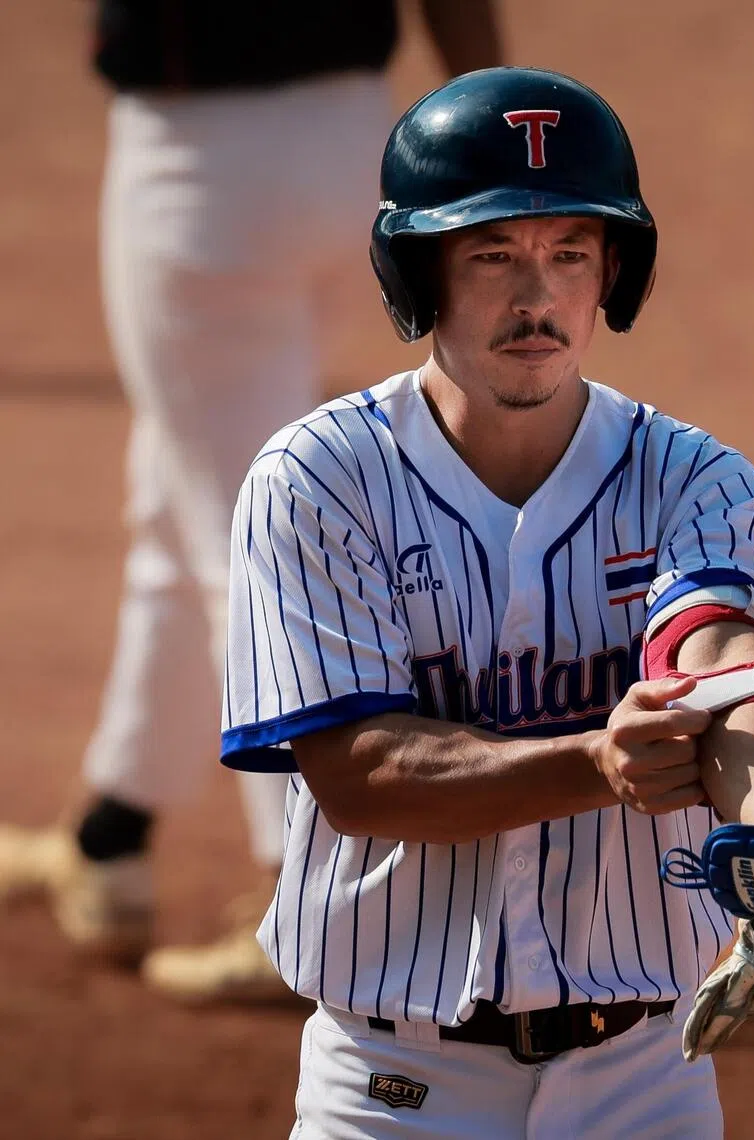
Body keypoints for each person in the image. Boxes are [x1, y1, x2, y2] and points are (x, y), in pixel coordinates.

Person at [221, 67, 754, 1137]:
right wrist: (597, 762)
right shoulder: (319, 480)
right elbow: (360, 775)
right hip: (396, 1085)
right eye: (491, 254)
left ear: (613, 275)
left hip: (646, 1076)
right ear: (421, 274)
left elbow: (726, 664)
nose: (535, 298)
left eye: (569, 255)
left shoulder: (698, 481)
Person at [0, 0, 502, 1003]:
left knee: (239, 542)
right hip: (361, 148)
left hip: (200, 171)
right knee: (181, 489)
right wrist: (485, 129)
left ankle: (312, 909)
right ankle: (114, 834)